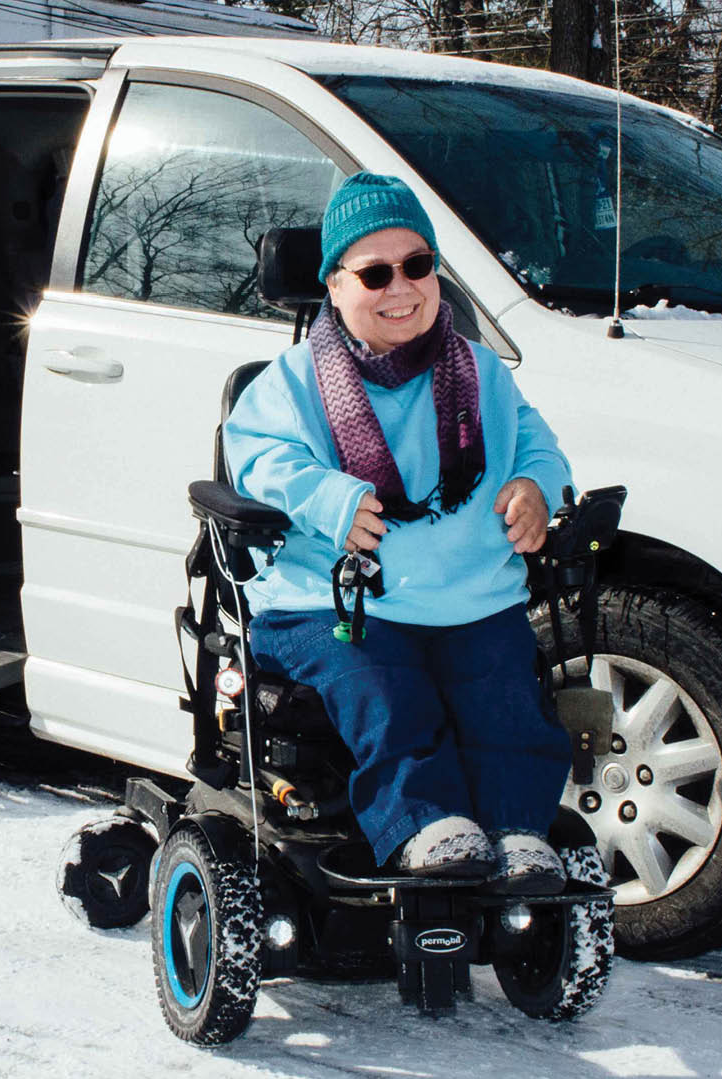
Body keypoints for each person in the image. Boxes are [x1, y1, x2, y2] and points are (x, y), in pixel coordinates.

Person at [224, 173, 574, 892]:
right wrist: (327, 498)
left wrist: (536, 488)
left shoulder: (479, 373)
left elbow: (540, 446)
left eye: (418, 266)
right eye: (375, 272)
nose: (401, 288)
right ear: (334, 284)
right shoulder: (290, 382)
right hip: (335, 601)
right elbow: (258, 456)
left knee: (506, 695)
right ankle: (425, 823)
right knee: (385, 694)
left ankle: (517, 830)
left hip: (469, 592)